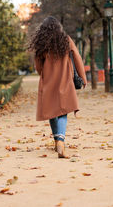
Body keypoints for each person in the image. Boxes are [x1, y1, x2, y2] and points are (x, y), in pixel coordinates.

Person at [28, 16, 87, 158]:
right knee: (62, 112)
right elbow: (77, 57)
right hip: (64, 80)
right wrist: (83, 77)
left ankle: (56, 141)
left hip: (48, 81)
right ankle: (60, 141)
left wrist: (43, 73)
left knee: (51, 112)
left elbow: (37, 65)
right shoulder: (66, 40)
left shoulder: (42, 44)